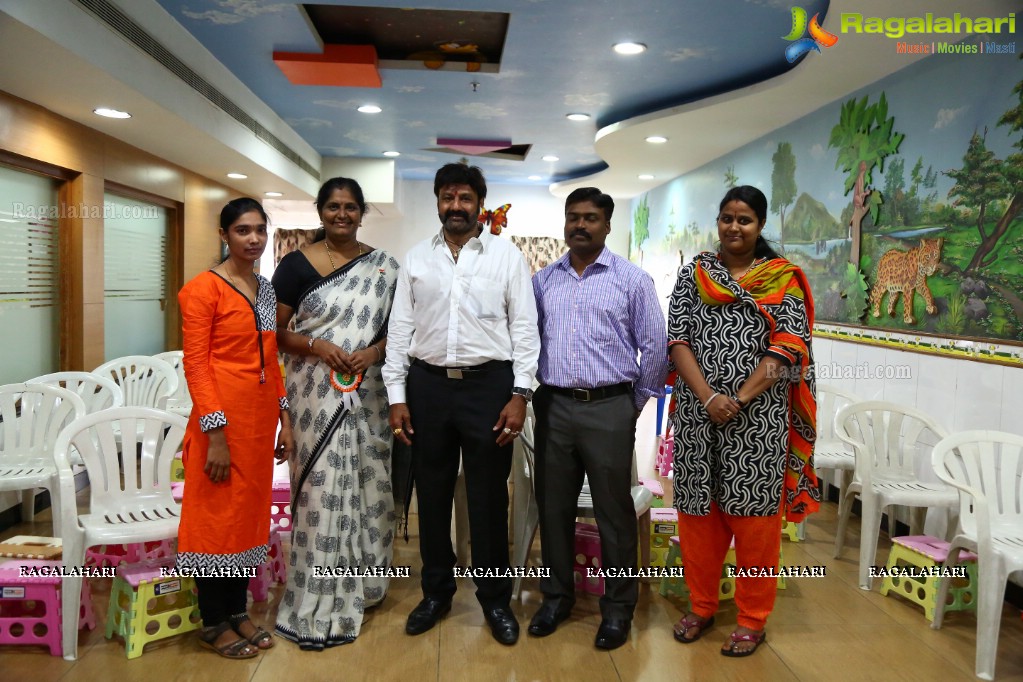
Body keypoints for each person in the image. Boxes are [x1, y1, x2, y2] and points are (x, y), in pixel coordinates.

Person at [383, 163, 540, 646]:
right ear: (437, 201)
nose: (456, 206)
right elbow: (399, 332)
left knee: (489, 495)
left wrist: (520, 395)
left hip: (489, 388)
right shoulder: (415, 259)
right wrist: (396, 396)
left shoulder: (507, 257)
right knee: (431, 494)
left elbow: (525, 330)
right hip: (428, 387)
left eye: (465, 197)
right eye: (448, 196)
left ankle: (494, 598)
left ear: (479, 203)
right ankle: (436, 592)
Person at [666, 185, 817, 657]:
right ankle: (702, 605)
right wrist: (709, 396)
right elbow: (677, 339)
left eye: (745, 219)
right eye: (727, 217)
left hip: (760, 422)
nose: (735, 227)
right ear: (718, 221)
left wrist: (739, 397)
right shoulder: (695, 275)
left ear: (760, 225)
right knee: (697, 518)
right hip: (697, 415)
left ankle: (752, 618)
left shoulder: (782, 279)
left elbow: (790, 347)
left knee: (754, 525)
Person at [528, 187, 668, 650]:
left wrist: (634, 403)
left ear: (608, 225)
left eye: (590, 217)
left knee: (614, 512)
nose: (580, 225)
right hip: (554, 406)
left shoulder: (632, 280)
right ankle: (556, 597)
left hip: (611, 407)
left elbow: (655, 348)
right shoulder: (544, 280)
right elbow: (528, 343)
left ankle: (618, 607)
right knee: (554, 508)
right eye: (573, 217)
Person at [271, 177, 400, 649]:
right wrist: (319, 345)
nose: (341, 214)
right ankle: (316, 592)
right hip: (313, 396)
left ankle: (364, 585)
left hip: (367, 394)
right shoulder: (292, 266)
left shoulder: (385, 269)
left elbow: (401, 333)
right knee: (322, 493)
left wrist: (372, 354)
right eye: (332, 207)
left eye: (349, 207)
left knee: (368, 486)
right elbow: (275, 334)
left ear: (362, 211)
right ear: (320, 211)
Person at [177, 197, 294, 659]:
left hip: (258, 425)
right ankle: (212, 622)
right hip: (220, 426)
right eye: (243, 230)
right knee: (216, 523)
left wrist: (284, 420)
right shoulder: (203, 290)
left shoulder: (264, 291)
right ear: (224, 234)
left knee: (246, 519)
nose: (253, 239)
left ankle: (236, 610)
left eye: (260, 230)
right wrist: (216, 435)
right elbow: (197, 366)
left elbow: (272, 361)